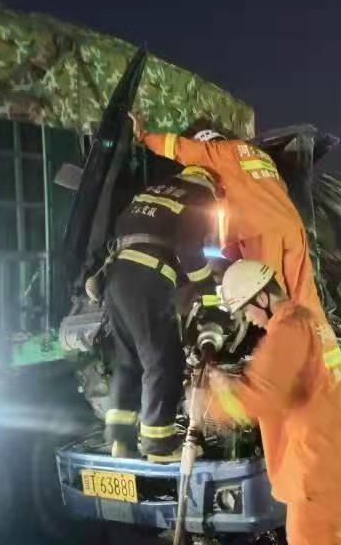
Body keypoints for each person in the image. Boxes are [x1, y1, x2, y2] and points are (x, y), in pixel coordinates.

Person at [208, 259, 341, 545]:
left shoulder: (288, 328)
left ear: (262, 298)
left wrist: (213, 400)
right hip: (336, 467)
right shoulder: (310, 320)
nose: (249, 319)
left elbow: (260, 397)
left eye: (246, 309)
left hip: (316, 477)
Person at [129, 114, 326, 324]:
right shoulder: (261, 157)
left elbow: (177, 148)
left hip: (257, 231)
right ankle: (320, 343)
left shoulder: (218, 152)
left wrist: (142, 136)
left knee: (268, 302)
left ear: (207, 144)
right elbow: (281, 188)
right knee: (305, 299)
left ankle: (283, 342)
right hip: (292, 226)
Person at [103, 165, 219, 462]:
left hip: (116, 277)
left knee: (128, 362)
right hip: (147, 279)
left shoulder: (153, 191)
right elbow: (190, 248)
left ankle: (120, 441)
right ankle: (159, 445)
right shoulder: (200, 196)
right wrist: (209, 294)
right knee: (163, 361)